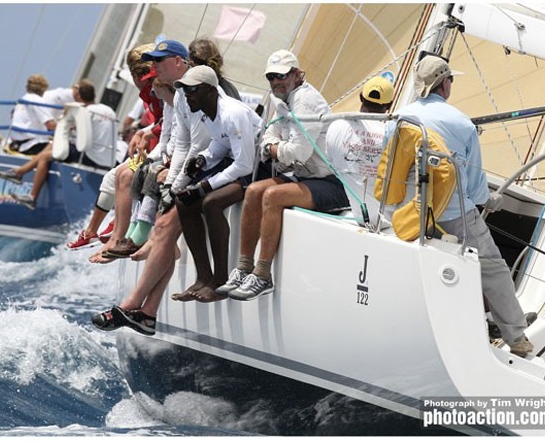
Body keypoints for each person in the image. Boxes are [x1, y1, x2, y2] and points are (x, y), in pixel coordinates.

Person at [384, 54, 533, 357]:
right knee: (494, 271)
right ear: (446, 83)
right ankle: (516, 339)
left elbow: (390, 169)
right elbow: (477, 192)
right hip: (453, 217)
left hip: (408, 217)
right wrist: (492, 201)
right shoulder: (462, 123)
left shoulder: (400, 117)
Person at [91, 39, 212, 335]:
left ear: (180, 64)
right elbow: (177, 141)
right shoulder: (178, 99)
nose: (152, 86)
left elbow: (202, 146)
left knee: (164, 232)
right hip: (187, 169)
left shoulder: (193, 97)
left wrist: (173, 178)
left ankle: (131, 305)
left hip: (208, 171)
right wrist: (164, 167)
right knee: (159, 221)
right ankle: (146, 312)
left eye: (158, 65)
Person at [219, 49, 350, 301]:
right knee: (254, 191)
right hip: (306, 177)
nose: (276, 82)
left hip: (332, 183)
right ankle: (244, 267)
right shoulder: (282, 98)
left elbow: (299, 152)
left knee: (272, 195)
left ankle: (262, 274)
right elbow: (269, 136)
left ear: (297, 74)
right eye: (271, 77)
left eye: (281, 76)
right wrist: (275, 148)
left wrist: (273, 148)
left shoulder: (304, 100)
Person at [168, 65, 262, 303]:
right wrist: (203, 159)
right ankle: (203, 277)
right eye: (184, 90)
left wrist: (205, 186)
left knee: (210, 202)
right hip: (239, 165)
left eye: (192, 90)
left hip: (259, 169)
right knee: (184, 201)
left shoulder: (233, 112)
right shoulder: (205, 112)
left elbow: (245, 165)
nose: (186, 95)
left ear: (210, 91)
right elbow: (220, 145)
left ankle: (220, 280)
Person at [86, 43, 163, 262]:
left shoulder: (155, 86)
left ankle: (122, 234)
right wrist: (144, 131)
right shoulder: (149, 89)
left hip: (167, 150)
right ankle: (114, 231)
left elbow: (172, 125)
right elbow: (163, 122)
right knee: (117, 175)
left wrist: (149, 137)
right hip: (159, 144)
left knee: (127, 175)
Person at [0, 79, 118, 209]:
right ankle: (19, 172)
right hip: (108, 159)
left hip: (90, 156)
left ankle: (31, 196)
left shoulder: (84, 112)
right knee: (53, 144)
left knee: (44, 157)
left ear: (78, 97)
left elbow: (76, 135)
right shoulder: (109, 111)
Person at [325, 75, 394, 226]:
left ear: (361, 97)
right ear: (389, 105)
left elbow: (331, 165)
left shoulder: (336, 126)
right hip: (388, 222)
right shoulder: (392, 135)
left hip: (358, 215)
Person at [7, 74, 57, 155]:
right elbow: (50, 124)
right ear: (43, 88)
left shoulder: (22, 100)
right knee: (63, 149)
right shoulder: (36, 100)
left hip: (17, 143)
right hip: (31, 144)